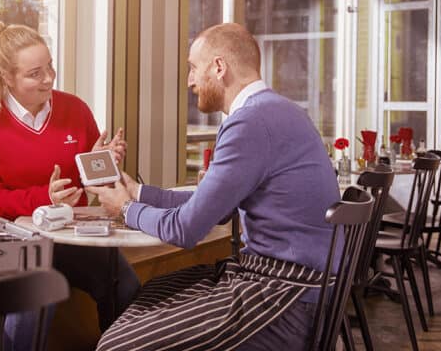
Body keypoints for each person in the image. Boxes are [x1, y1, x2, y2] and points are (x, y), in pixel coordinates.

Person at [87, 23, 340, 351]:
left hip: (286, 295)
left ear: (219, 67)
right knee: (155, 289)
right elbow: (214, 209)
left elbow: (186, 228)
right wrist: (136, 192)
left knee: (117, 344)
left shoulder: (249, 123)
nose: (190, 80)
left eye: (193, 68)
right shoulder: (280, 110)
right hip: (296, 281)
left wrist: (124, 208)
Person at [0, 19, 140, 351]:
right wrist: (45, 197)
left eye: (50, 67)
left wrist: (103, 161)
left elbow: (91, 182)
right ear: (6, 78)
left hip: (70, 235)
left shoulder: (75, 108)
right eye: (35, 73)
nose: (48, 79)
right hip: (17, 241)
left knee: (125, 283)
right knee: (34, 298)